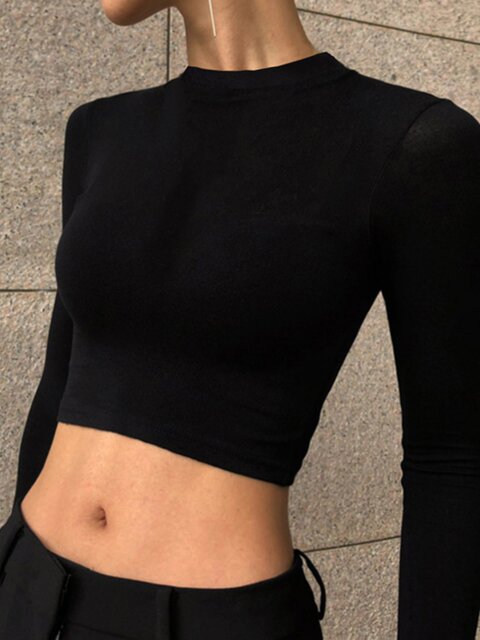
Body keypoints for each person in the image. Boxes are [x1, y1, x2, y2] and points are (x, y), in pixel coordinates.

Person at [1, 1, 479, 638]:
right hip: (25, 580)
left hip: (211, 620)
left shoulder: (414, 142)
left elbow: (451, 457)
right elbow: (61, 382)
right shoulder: (99, 129)